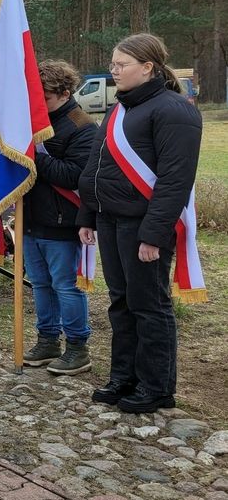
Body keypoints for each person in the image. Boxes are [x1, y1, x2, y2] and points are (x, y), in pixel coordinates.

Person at [78, 33, 202, 413]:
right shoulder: (121, 108)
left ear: (148, 67)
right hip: (111, 219)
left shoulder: (174, 110)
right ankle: (124, 375)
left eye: (120, 64)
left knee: (149, 305)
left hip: (143, 224)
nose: (113, 70)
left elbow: (175, 180)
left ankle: (156, 385)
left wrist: (153, 234)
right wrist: (88, 213)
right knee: (120, 301)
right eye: (113, 64)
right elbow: (98, 165)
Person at [22, 60, 98, 375]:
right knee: (40, 284)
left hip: (62, 220)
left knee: (66, 286)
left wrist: (36, 156)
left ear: (64, 92)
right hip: (32, 218)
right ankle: (48, 339)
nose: (39, 103)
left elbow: (75, 176)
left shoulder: (82, 126)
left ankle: (78, 347)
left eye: (46, 97)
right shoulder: (32, 122)